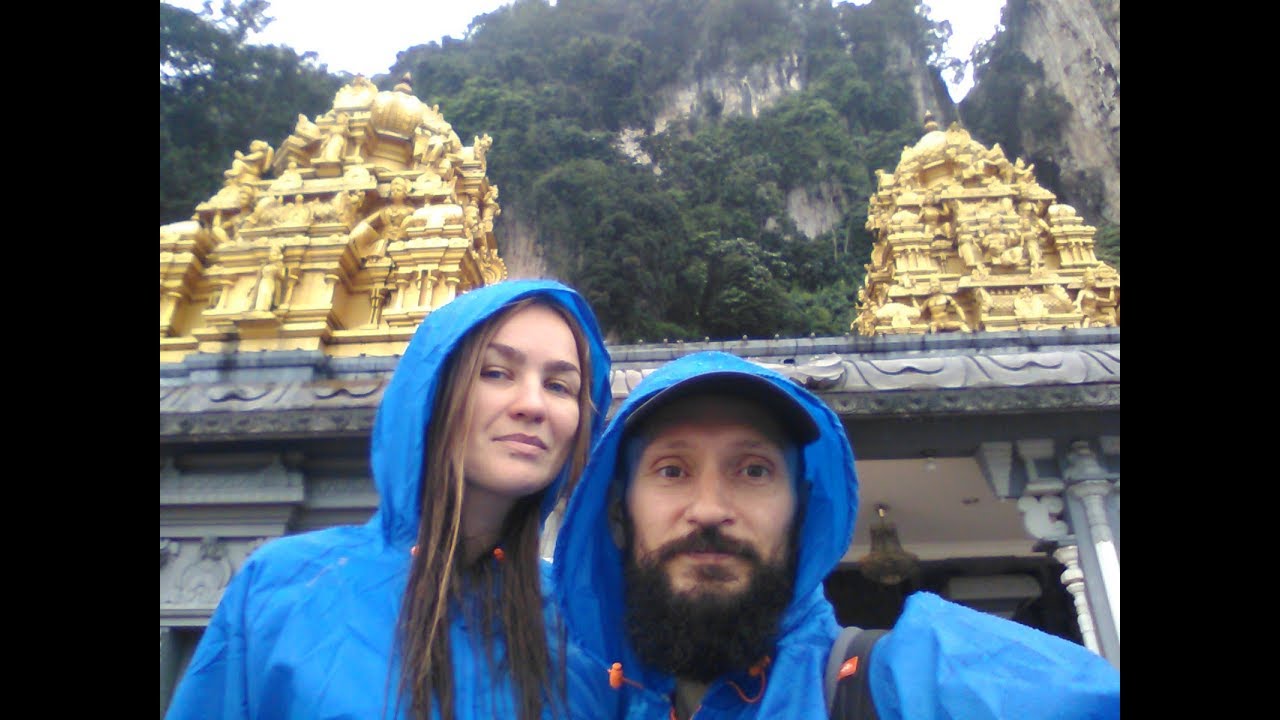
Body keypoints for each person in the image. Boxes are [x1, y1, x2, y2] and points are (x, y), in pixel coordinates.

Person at [553, 351, 1120, 720]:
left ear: (803, 511)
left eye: (753, 470)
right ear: (619, 514)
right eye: (672, 470)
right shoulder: (582, 701)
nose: (709, 510)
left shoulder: (916, 680)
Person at [165, 279, 614, 720]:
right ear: (432, 391)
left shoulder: (587, 634)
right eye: (496, 373)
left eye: (559, 386)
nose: (533, 404)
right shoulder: (283, 586)